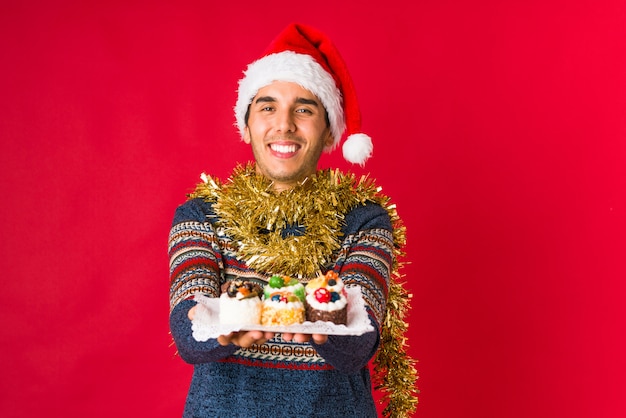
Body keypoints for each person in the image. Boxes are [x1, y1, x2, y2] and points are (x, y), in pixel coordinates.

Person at [168, 23, 417, 417]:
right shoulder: (201, 216)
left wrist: (323, 330)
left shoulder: (364, 220)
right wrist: (216, 328)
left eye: (304, 109)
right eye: (268, 107)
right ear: (247, 126)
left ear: (328, 129)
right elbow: (187, 330)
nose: (284, 124)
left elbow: (360, 339)